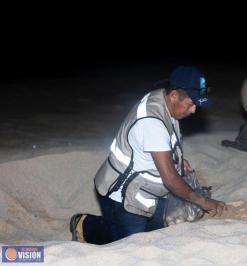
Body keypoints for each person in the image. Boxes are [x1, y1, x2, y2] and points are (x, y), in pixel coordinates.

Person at [69, 66, 227, 244]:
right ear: (174, 95)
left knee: (157, 232)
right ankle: (83, 224)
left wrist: (177, 159)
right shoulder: (152, 122)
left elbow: (161, 144)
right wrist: (203, 202)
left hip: (147, 192)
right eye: (191, 104)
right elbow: (170, 179)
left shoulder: (164, 99)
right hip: (123, 196)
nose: (193, 110)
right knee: (127, 244)